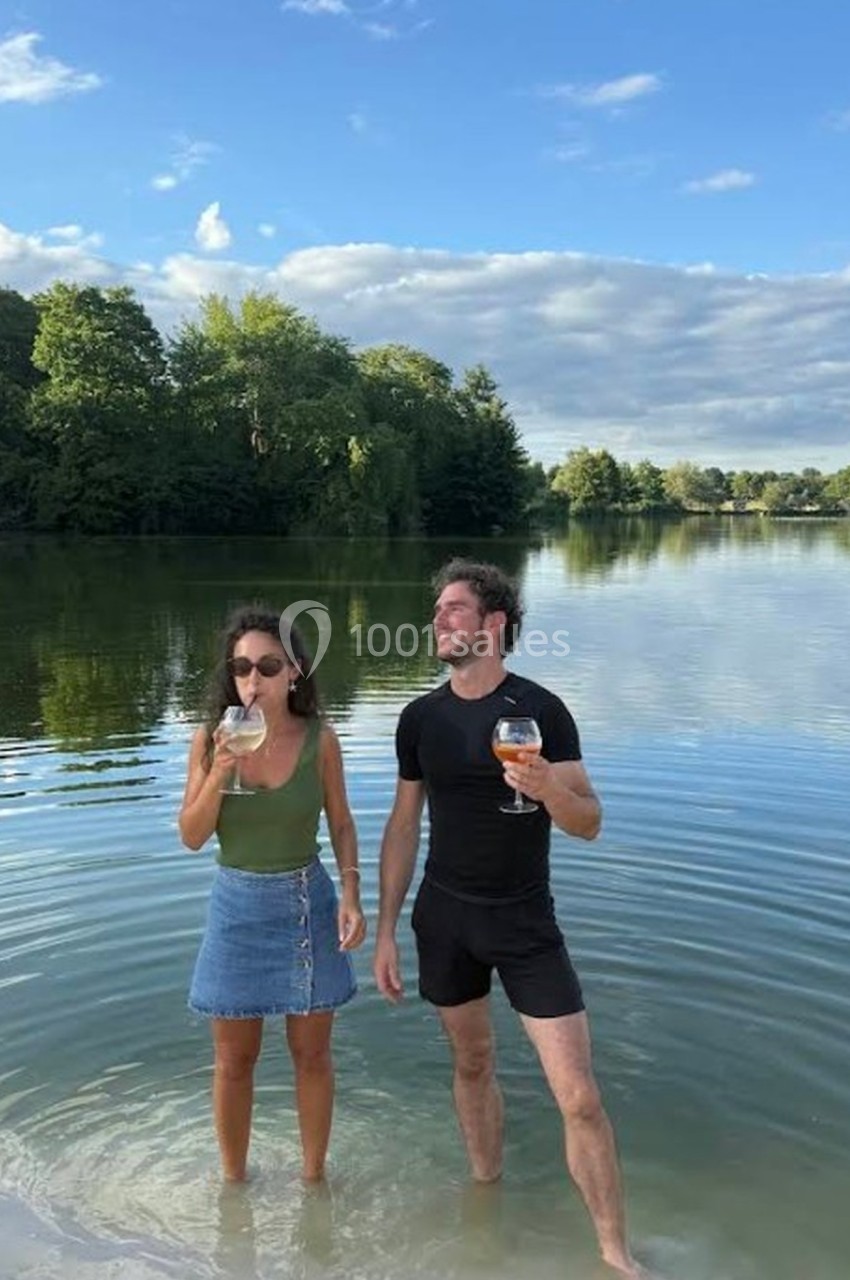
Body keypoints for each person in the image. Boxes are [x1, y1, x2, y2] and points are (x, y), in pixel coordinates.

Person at [373, 559, 650, 1279]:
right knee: (472, 1062)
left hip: (526, 924)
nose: (438, 620)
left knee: (580, 1097)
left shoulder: (542, 712)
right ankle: (485, 1192)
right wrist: (384, 929)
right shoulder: (420, 719)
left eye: (454, 610)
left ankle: (614, 1254)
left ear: (494, 625)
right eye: (437, 610)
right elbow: (403, 826)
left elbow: (588, 822)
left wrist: (547, 785)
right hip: (446, 918)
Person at [179, 604, 366, 1184]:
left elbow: (340, 823)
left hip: (307, 905)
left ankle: (315, 1181)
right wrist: (220, 771)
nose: (252, 681)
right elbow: (191, 835)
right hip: (235, 908)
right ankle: (233, 1187)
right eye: (240, 668)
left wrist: (353, 896)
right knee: (234, 1062)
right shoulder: (210, 739)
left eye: (266, 666)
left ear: (295, 673)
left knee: (312, 1057)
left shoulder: (321, 740)